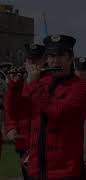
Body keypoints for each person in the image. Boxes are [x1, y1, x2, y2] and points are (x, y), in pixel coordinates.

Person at [21, 34, 86, 179]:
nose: (55, 61)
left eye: (61, 55)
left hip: (65, 172)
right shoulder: (41, 83)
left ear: (70, 58)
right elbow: (23, 112)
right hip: (36, 170)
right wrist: (20, 85)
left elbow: (58, 112)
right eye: (51, 56)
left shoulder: (82, 87)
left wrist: (32, 85)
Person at [4, 44, 45, 180]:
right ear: (25, 62)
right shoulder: (18, 83)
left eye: (36, 59)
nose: (32, 63)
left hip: (43, 142)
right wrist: (11, 128)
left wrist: (33, 82)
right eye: (29, 60)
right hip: (24, 141)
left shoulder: (49, 82)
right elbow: (10, 111)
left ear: (43, 61)